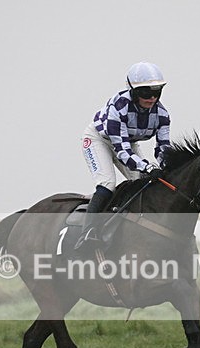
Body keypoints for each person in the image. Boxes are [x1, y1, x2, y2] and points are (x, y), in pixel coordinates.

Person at [76, 62, 171, 249]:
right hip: (99, 140)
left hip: (127, 141)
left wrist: (163, 166)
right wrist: (147, 166)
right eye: (146, 92)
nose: (152, 98)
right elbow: (123, 153)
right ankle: (87, 232)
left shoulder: (162, 115)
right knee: (107, 184)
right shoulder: (118, 106)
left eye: (157, 91)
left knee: (143, 182)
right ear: (133, 91)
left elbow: (163, 148)